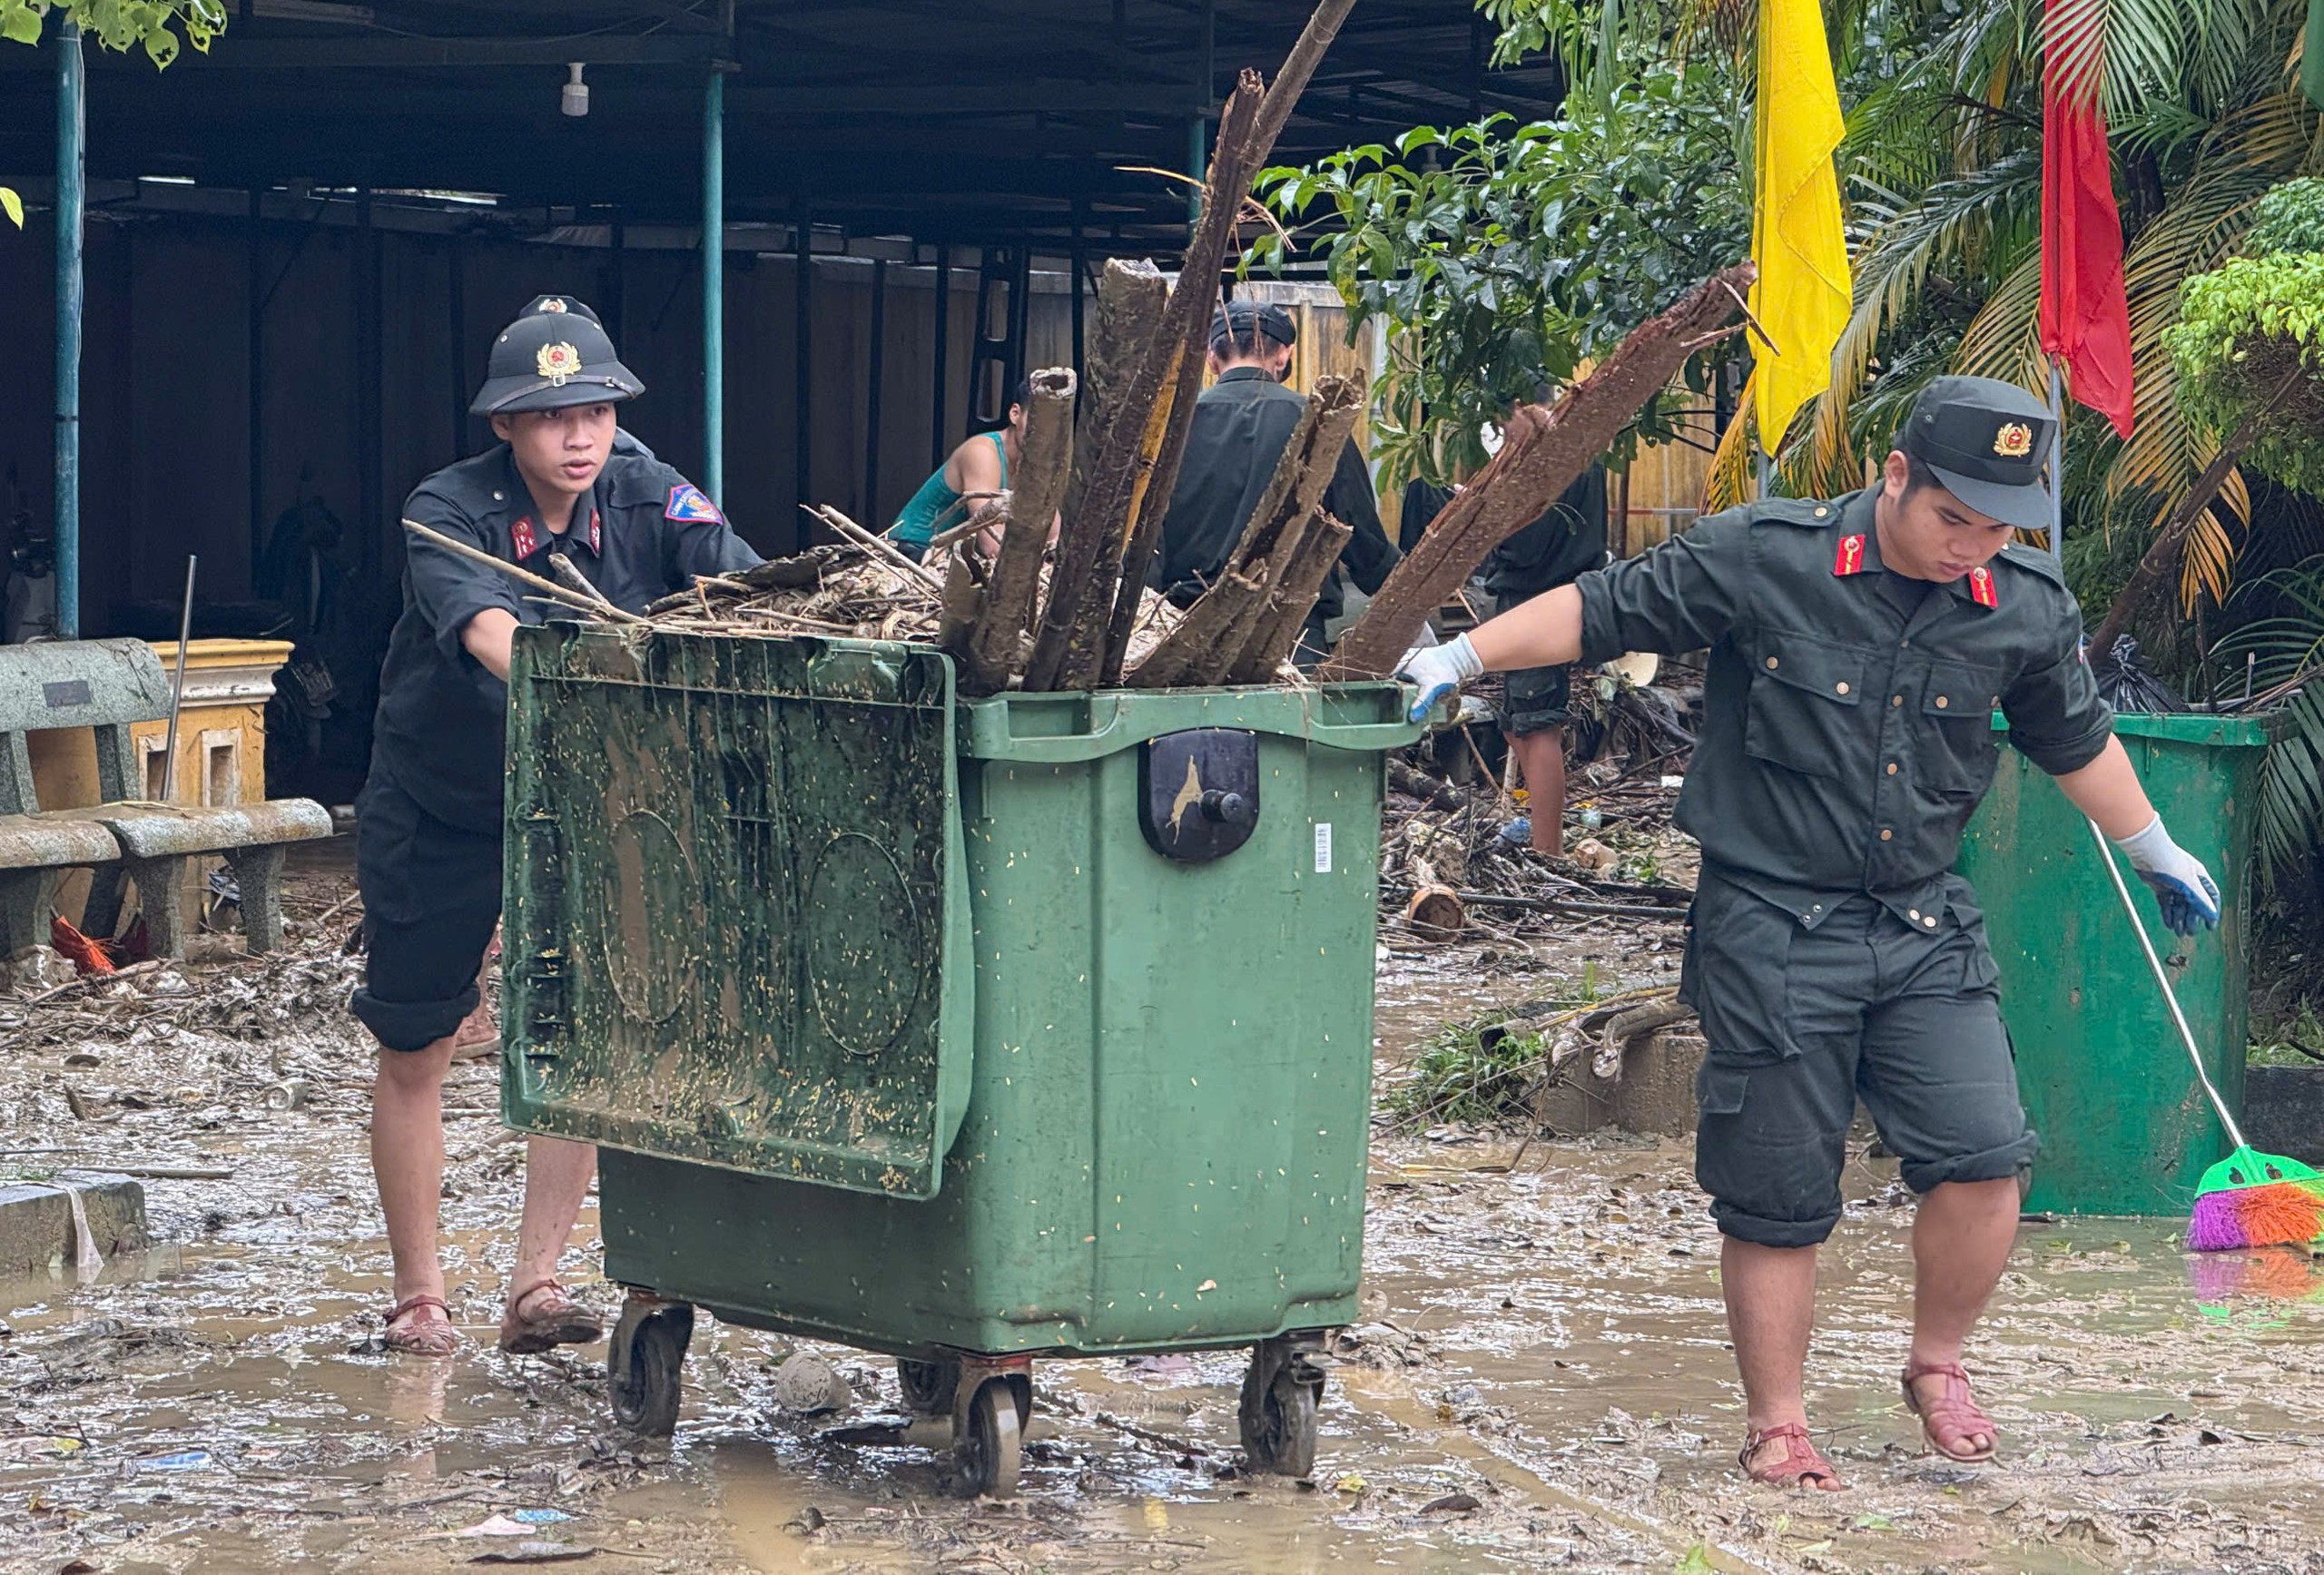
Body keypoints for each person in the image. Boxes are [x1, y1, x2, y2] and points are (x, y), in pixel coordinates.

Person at [1398, 377, 2221, 1489]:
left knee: (1986, 1157)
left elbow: (2074, 738)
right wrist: (1462, 658)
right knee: (1780, 1191)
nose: (1970, 545)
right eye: (1952, 518)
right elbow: (1602, 609)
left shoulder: (2020, 602)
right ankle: (1778, 1422)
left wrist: (2153, 846)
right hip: (1771, 921)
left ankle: (1937, 1365)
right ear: (1894, 476)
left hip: (1921, 917)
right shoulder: (1767, 555)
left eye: (1996, 526)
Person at [353, 303, 761, 1357]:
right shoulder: (446, 509)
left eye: (595, 413)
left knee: (582, 1044)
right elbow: (491, 633)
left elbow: (744, 586)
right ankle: (420, 1297)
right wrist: (608, 674)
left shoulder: (646, 489)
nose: (578, 438)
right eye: (550, 419)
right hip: (441, 803)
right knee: (417, 1041)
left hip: (586, 805)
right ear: (504, 427)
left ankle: (537, 1282)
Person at [1152, 301, 1399, 660]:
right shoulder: (1320, 422)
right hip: (1290, 638)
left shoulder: (1169, 427)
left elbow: (1142, 539)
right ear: (1283, 356)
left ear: (1211, 357)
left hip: (1183, 635)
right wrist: (1401, 590)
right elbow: (1360, 534)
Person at [1405, 458, 1610, 854]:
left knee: (1537, 727)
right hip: (1551, 595)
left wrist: (1488, 516)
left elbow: (1526, 544)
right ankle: (1540, 837)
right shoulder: (1586, 453)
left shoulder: (1554, 460)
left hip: (1540, 600)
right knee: (1516, 726)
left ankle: (1549, 852)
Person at [890, 379, 1026, 561]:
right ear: (1015, 414)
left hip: (954, 559)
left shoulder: (1039, 464)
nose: (1045, 435)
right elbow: (992, 546)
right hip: (915, 551)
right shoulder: (982, 452)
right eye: (1037, 421)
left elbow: (1053, 539)